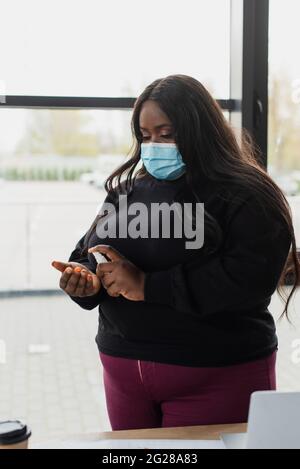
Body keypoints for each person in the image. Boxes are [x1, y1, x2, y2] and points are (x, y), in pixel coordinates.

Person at [52, 75, 299, 431]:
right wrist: (86, 281)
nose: (154, 146)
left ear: (201, 130)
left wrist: (147, 285)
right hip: (123, 370)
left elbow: (247, 280)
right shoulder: (125, 192)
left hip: (217, 372)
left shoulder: (248, 194)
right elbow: (89, 253)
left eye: (167, 134)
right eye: (145, 136)